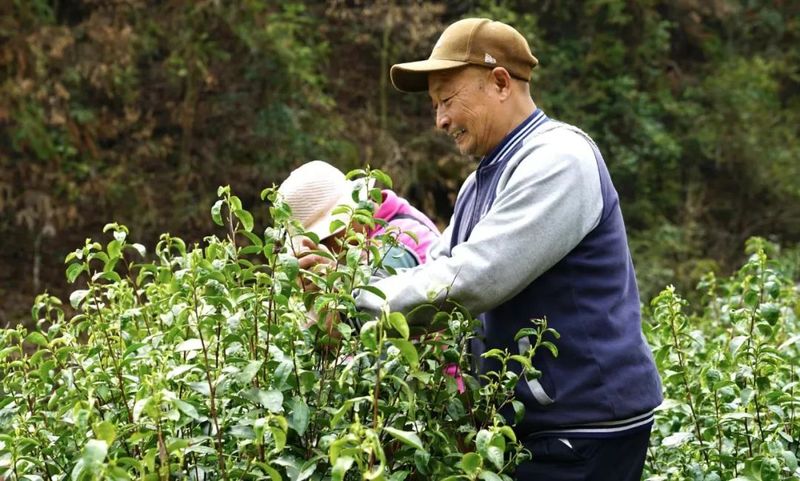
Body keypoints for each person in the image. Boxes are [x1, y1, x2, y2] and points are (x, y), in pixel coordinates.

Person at [354, 18, 663, 480]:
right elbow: (439, 265)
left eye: (447, 100)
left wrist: (354, 304)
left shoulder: (559, 159)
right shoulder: (481, 181)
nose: (440, 120)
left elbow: (475, 279)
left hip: (585, 425)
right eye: (435, 105)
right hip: (536, 426)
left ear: (500, 82)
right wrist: (353, 285)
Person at [277, 159, 440, 273]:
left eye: (324, 239)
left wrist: (332, 282)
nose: (327, 250)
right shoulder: (396, 215)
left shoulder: (395, 243)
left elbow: (371, 311)